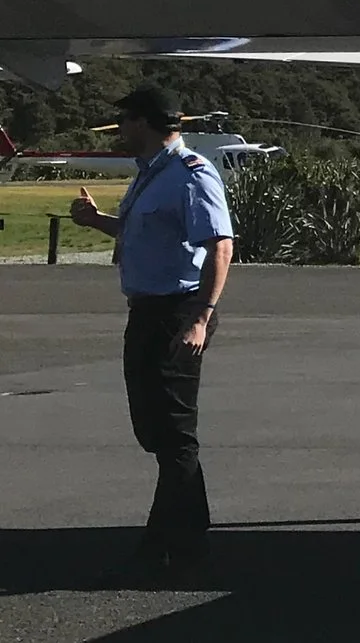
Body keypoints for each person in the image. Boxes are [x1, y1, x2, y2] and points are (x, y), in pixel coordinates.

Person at [68, 86, 235, 582]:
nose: (120, 129)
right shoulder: (151, 176)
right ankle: (182, 534)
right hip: (146, 312)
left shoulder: (191, 175)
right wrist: (96, 220)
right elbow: (141, 234)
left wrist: (201, 317)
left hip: (176, 311)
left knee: (174, 433)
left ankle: (174, 545)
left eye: (125, 121)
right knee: (155, 430)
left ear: (144, 123)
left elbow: (220, 246)